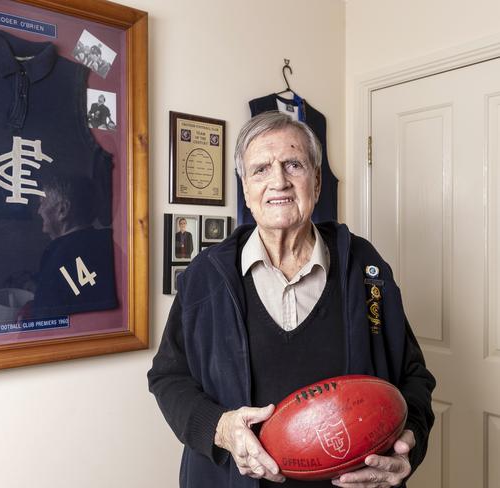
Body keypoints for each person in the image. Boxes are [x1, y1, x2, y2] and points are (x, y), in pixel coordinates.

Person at [148, 111, 436, 488]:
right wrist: (220, 429)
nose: (278, 181)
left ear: (316, 182)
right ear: (246, 188)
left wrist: (409, 448)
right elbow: (169, 377)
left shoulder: (367, 268)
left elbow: (413, 377)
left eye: (293, 164)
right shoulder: (205, 278)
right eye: (261, 169)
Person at [32, 172, 118, 319]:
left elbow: (44, 321)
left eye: (42, 203)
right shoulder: (111, 243)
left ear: (63, 210)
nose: (39, 211)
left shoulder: (56, 257)